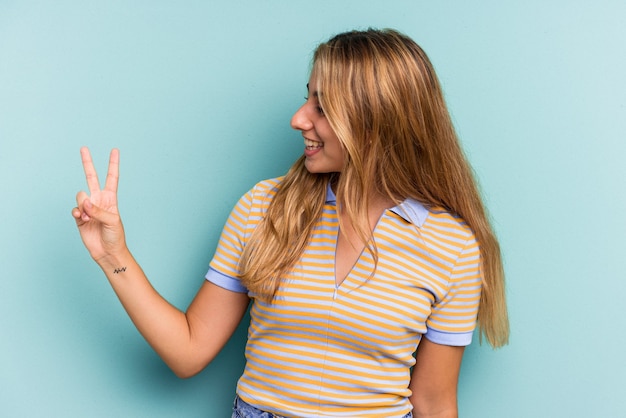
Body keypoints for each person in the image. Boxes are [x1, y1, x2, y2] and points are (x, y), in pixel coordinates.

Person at [72, 28, 509, 418]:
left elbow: (434, 404)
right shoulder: (263, 208)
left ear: (377, 121)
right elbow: (188, 351)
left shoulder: (452, 247)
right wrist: (114, 255)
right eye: (308, 98)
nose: (299, 118)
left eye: (322, 106)